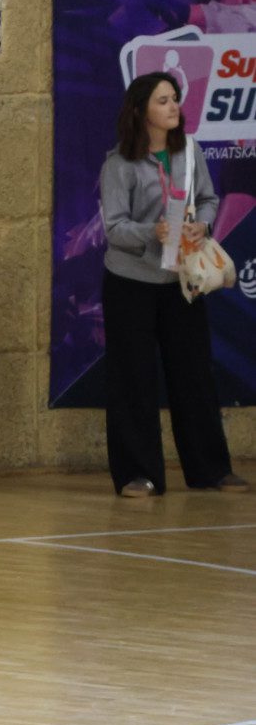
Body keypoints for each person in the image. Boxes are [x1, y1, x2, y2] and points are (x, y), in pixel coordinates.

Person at [98, 73, 248, 496]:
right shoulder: (118, 163)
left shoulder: (189, 151)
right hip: (131, 282)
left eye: (175, 99)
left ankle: (211, 470)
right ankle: (138, 474)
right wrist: (153, 232)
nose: (173, 107)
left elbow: (209, 199)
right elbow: (114, 229)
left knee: (193, 373)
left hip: (182, 280)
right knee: (134, 377)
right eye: (162, 100)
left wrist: (203, 225)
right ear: (140, 110)